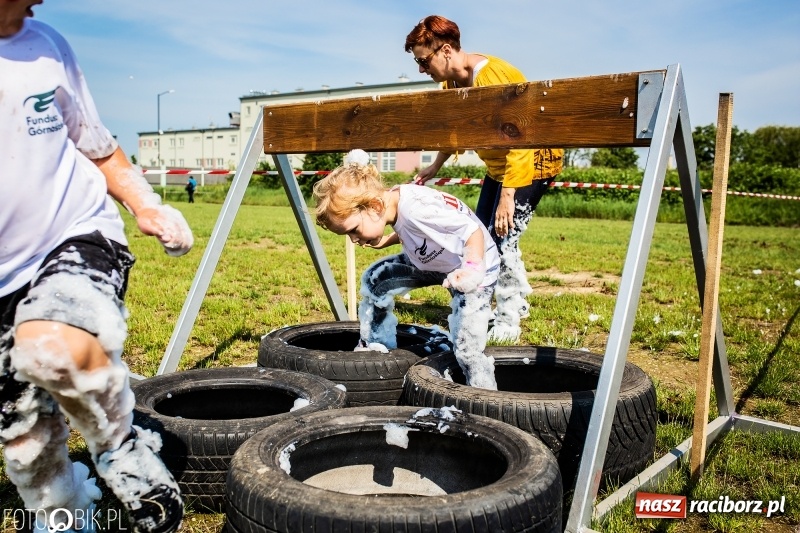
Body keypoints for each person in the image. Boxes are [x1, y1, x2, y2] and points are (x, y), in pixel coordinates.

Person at [0, 1, 192, 531]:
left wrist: (148, 205)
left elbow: (99, 147)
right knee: (24, 433)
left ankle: (122, 451)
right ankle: (62, 514)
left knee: (52, 345)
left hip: (73, 234)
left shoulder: (47, 46)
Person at [405, 15, 564, 343]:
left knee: (504, 236)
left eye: (423, 61)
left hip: (532, 160)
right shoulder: (451, 83)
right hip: (500, 167)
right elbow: (456, 131)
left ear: (446, 50)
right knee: (480, 236)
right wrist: (436, 165)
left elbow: (519, 132)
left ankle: (509, 314)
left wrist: (509, 195)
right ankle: (495, 305)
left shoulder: (490, 75)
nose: (421, 70)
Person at [314, 150, 500, 390]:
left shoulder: (416, 208)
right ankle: (376, 349)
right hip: (432, 261)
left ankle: (483, 394)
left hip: (472, 266)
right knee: (376, 280)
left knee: (467, 347)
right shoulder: (392, 203)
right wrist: (388, 239)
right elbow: (415, 231)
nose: (353, 239)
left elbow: (471, 230)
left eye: (354, 230)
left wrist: (472, 269)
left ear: (374, 206)